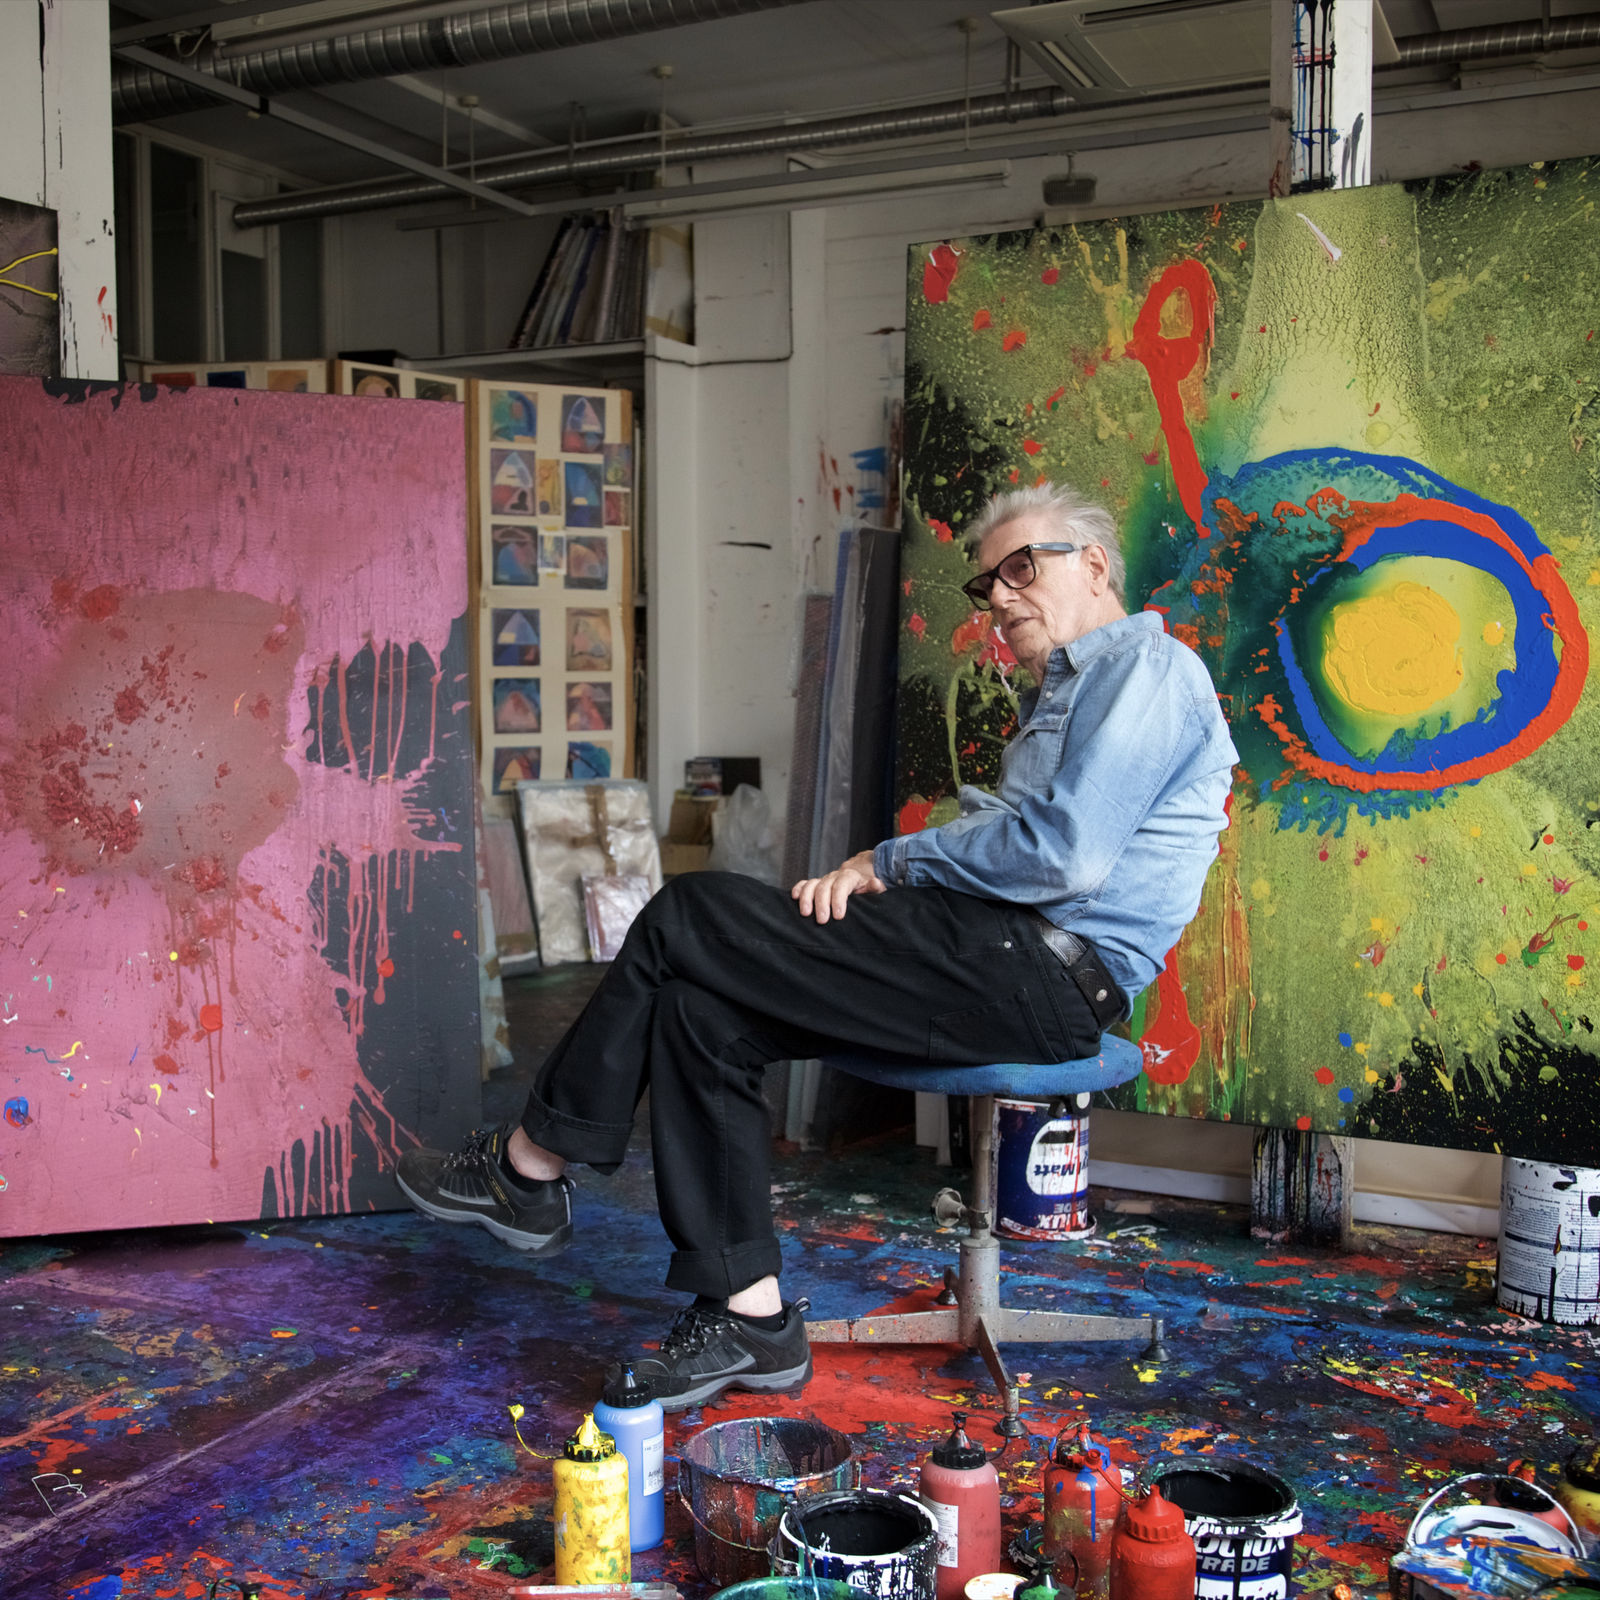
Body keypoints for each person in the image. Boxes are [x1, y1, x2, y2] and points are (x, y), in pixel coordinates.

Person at [397, 483, 1238, 1410]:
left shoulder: (1148, 673)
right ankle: (749, 1317)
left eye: (1021, 568)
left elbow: (1059, 856)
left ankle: (530, 1167)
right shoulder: (1068, 688)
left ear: (1095, 566)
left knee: (688, 914)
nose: (999, 595)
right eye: (987, 582)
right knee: (699, 1011)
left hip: (1040, 972)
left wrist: (888, 860)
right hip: (995, 955)